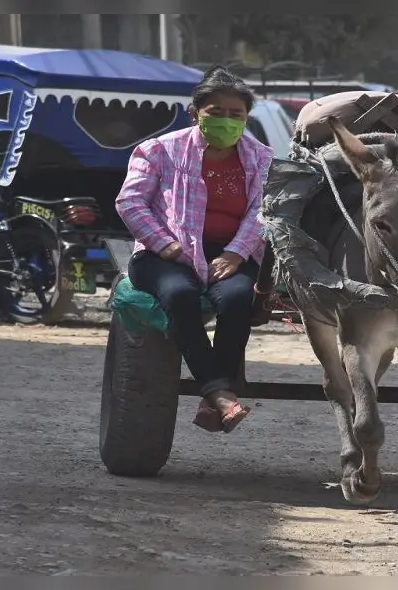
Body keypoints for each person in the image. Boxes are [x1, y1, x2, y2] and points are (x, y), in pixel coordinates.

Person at [115, 66, 274, 434]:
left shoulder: (261, 156)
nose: (227, 121)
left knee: (237, 300)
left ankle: (210, 397)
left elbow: (264, 210)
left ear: (246, 118)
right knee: (180, 293)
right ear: (195, 113)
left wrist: (236, 253)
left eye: (236, 115)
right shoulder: (158, 150)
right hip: (163, 253)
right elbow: (130, 202)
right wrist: (165, 244)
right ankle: (221, 394)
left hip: (232, 254)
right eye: (215, 112)